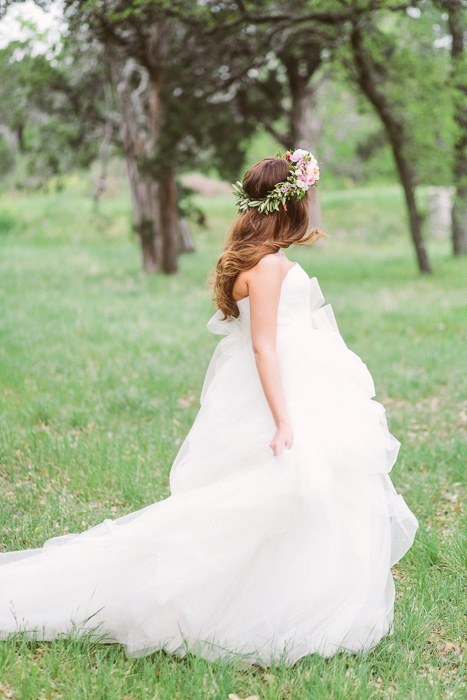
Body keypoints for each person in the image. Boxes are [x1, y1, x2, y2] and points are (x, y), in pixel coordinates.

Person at [0, 150, 418, 667]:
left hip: (306, 383)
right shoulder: (265, 268)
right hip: (281, 393)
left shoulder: (267, 260)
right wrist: (284, 421)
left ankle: (302, 594)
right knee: (274, 493)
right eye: (307, 198)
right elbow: (265, 345)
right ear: (290, 206)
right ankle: (255, 606)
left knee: (316, 491)